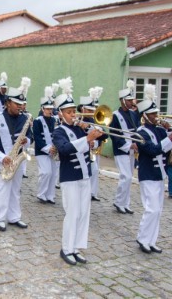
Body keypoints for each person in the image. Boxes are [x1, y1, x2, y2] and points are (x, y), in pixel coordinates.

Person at [52, 77, 103, 266]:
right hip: (69, 177)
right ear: (61, 114)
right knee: (72, 213)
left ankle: (76, 247)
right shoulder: (58, 131)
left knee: (83, 213)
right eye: (69, 112)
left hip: (84, 175)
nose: (73, 114)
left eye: (74, 111)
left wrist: (90, 129)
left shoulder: (81, 128)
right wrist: (86, 138)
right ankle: (66, 248)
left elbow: (101, 136)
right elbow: (64, 150)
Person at [135, 89, 172, 254]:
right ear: (145, 116)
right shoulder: (140, 133)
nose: (157, 116)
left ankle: (151, 240)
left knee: (158, 210)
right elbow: (152, 150)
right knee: (151, 209)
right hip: (147, 174)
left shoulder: (160, 130)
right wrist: (169, 138)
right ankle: (142, 238)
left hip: (160, 175)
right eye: (153, 114)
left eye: (157, 113)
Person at [0, 83, 33, 232]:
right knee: (3, 186)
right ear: (7, 103)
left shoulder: (24, 118)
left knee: (16, 187)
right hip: (0, 158)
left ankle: (14, 217)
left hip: (17, 157)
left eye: (21, 104)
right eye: (16, 103)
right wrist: (2, 157)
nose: (19, 106)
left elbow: (30, 135)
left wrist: (27, 141)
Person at [110, 80, 140, 214]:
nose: (131, 102)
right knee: (126, 177)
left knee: (130, 177)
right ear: (122, 101)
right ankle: (118, 201)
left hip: (132, 150)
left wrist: (137, 143)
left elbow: (137, 130)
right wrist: (128, 145)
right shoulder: (115, 115)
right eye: (128, 100)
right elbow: (114, 135)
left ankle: (125, 203)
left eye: (131, 100)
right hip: (121, 150)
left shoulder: (133, 114)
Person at [78, 87, 108, 202]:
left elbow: (105, 136)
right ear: (84, 109)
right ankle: (83, 193)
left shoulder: (95, 121)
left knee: (94, 171)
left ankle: (91, 193)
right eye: (90, 110)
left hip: (91, 151)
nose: (92, 113)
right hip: (81, 150)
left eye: (93, 110)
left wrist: (98, 135)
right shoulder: (79, 120)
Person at [33, 86, 59, 205]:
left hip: (53, 151)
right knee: (46, 172)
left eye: (51, 108)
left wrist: (56, 148)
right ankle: (41, 194)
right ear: (43, 109)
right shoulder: (38, 121)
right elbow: (38, 138)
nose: (50, 110)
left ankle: (50, 195)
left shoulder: (55, 120)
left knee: (53, 174)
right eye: (47, 108)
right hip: (41, 151)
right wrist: (49, 148)